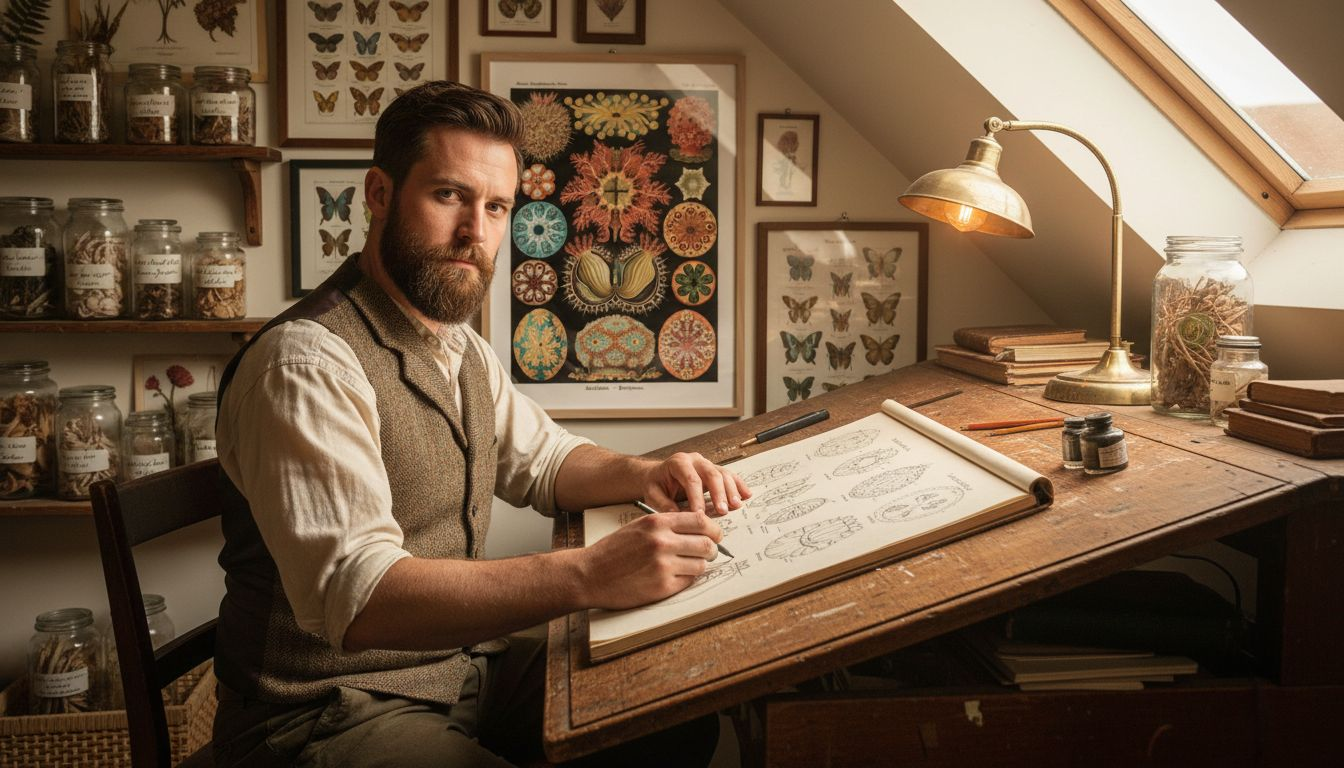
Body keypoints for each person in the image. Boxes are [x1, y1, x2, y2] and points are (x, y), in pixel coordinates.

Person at [211, 80, 750, 767]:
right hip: (324, 715)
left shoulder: (454, 343)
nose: (477, 232)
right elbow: (363, 595)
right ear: (379, 195)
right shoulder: (304, 366)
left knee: (675, 714)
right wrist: (589, 572)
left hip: (458, 672)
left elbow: (545, 461)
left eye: (496, 207)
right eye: (449, 196)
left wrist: (644, 473)